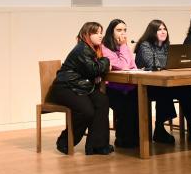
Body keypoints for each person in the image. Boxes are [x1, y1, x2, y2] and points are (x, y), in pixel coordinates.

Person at [48, 22, 114, 155]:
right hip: (65, 87)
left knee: (102, 100)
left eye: (101, 32)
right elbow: (94, 69)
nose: (100, 35)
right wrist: (106, 61)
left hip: (81, 86)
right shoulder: (82, 49)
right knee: (86, 111)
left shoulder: (92, 49)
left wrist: (99, 69)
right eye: (96, 32)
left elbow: (94, 70)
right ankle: (65, 142)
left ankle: (97, 145)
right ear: (86, 34)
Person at [134, 19, 191, 141]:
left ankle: (190, 125)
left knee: (186, 88)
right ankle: (159, 128)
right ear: (152, 32)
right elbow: (154, 64)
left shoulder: (166, 46)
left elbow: (173, 62)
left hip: (163, 82)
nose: (163, 32)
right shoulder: (145, 45)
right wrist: (170, 63)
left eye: (165, 29)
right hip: (147, 85)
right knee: (164, 91)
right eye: (159, 29)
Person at [101, 19, 139, 148]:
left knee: (138, 103)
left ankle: (137, 138)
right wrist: (123, 46)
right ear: (111, 32)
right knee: (125, 107)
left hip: (128, 87)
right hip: (112, 88)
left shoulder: (123, 46)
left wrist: (124, 47)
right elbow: (123, 66)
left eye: (124, 30)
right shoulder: (104, 47)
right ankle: (123, 139)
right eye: (119, 30)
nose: (122, 33)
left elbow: (132, 66)